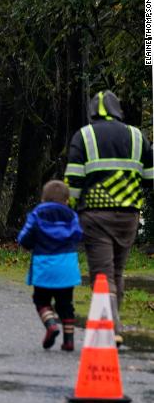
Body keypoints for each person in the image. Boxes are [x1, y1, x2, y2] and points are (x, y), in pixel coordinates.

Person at [64, 90, 154, 346]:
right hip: (129, 217)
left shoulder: (84, 136)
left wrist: (70, 210)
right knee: (118, 271)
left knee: (103, 275)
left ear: (93, 112)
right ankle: (115, 324)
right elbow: (149, 178)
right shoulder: (137, 136)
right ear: (118, 111)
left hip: (95, 216)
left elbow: (73, 183)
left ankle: (112, 328)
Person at [17, 180, 82, 351]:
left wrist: (28, 244)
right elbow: (78, 235)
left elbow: (24, 237)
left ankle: (51, 325)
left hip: (44, 267)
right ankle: (69, 341)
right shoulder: (71, 216)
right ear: (66, 200)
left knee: (41, 300)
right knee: (65, 304)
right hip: (66, 268)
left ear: (43, 199)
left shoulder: (37, 214)